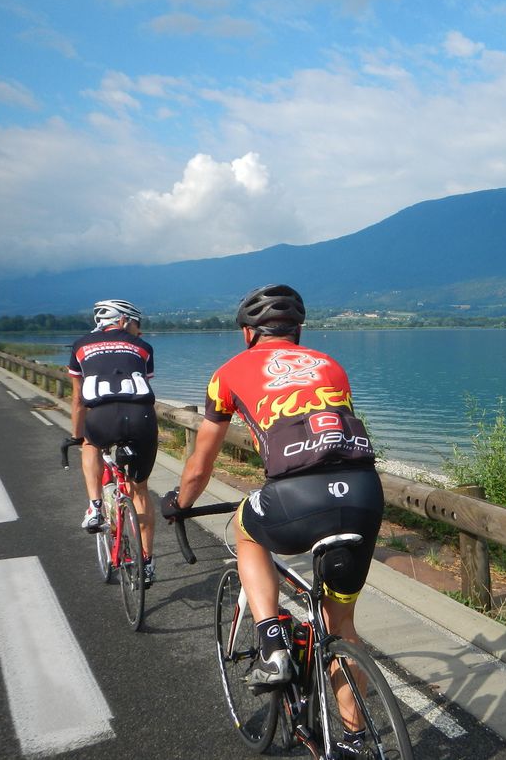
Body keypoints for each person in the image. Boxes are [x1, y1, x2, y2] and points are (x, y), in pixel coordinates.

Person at [162, 284, 383, 740]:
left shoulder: (226, 373)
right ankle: (357, 739)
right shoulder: (331, 365)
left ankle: (271, 641)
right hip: (364, 493)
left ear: (247, 334)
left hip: (294, 498)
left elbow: (200, 464)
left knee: (247, 529)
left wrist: (180, 504)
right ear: (298, 331)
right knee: (341, 625)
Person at [69, 299, 159, 587]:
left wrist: (76, 434)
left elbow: (78, 399)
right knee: (140, 490)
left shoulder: (81, 346)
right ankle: (146, 563)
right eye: (137, 323)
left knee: (89, 444)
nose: (139, 330)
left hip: (101, 417)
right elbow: (141, 383)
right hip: (141, 416)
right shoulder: (144, 348)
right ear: (123, 321)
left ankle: (95, 506)